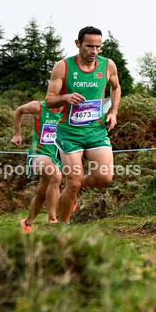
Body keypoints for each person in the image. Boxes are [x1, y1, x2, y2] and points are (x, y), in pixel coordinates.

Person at [40, 26, 121, 226]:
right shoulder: (63, 67)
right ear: (78, 44)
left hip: (96, 130)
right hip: (69, 133)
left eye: (98, 47)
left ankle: (72, 188)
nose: (94, 51)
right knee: (74, 182)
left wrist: (114, 112)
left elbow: (116, 87)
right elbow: (49, 100)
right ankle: (62, 227)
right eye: (89, 46)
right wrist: (65, 97)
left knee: (105, 178)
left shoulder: (108, 65)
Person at [12, 98, 66, 230]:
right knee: (56, 177)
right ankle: (52, 220)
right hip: (38, 155)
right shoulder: (38, 107)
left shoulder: (68, 110)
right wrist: (17, 134)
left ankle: (27, 223)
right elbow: (19, 111)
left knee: (42, 194)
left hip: (54, 157)